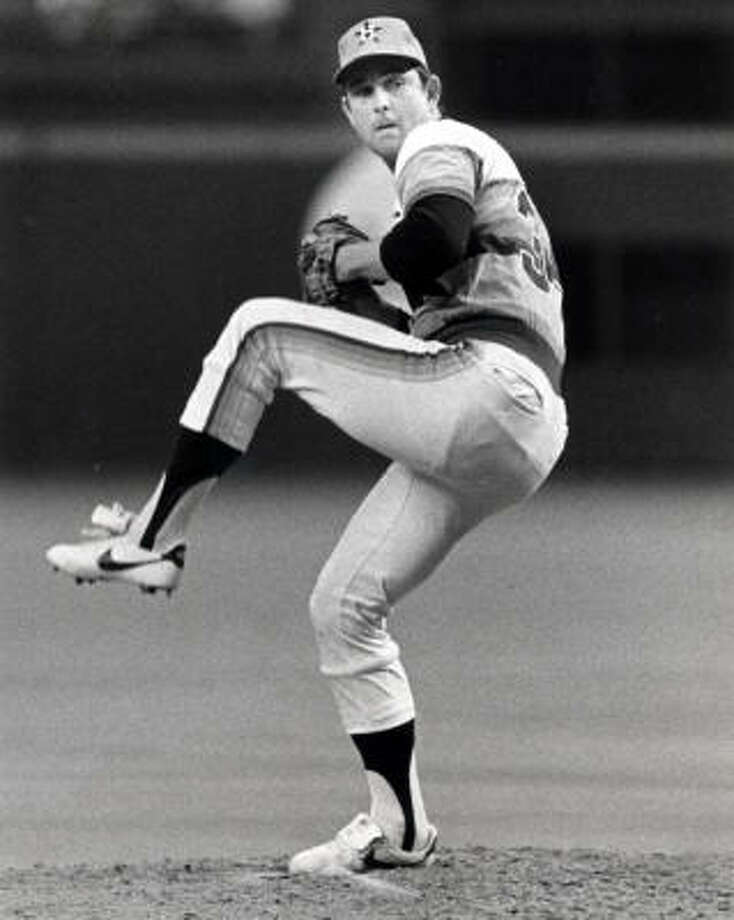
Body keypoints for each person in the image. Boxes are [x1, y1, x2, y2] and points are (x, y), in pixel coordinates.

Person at [46, 16, 568, 875]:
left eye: (394, 81)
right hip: (511, 419)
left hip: (488, 386)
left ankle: (155, 540)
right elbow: (436, 282)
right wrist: (376, 296)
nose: (379, 102)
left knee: (259, 330)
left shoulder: (445, 139)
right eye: (359, 92)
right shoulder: (445, 164)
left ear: (429, 91)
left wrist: (358, 261)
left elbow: (429, 238)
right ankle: (400, 828)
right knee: (344, 608)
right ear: (348, 113)